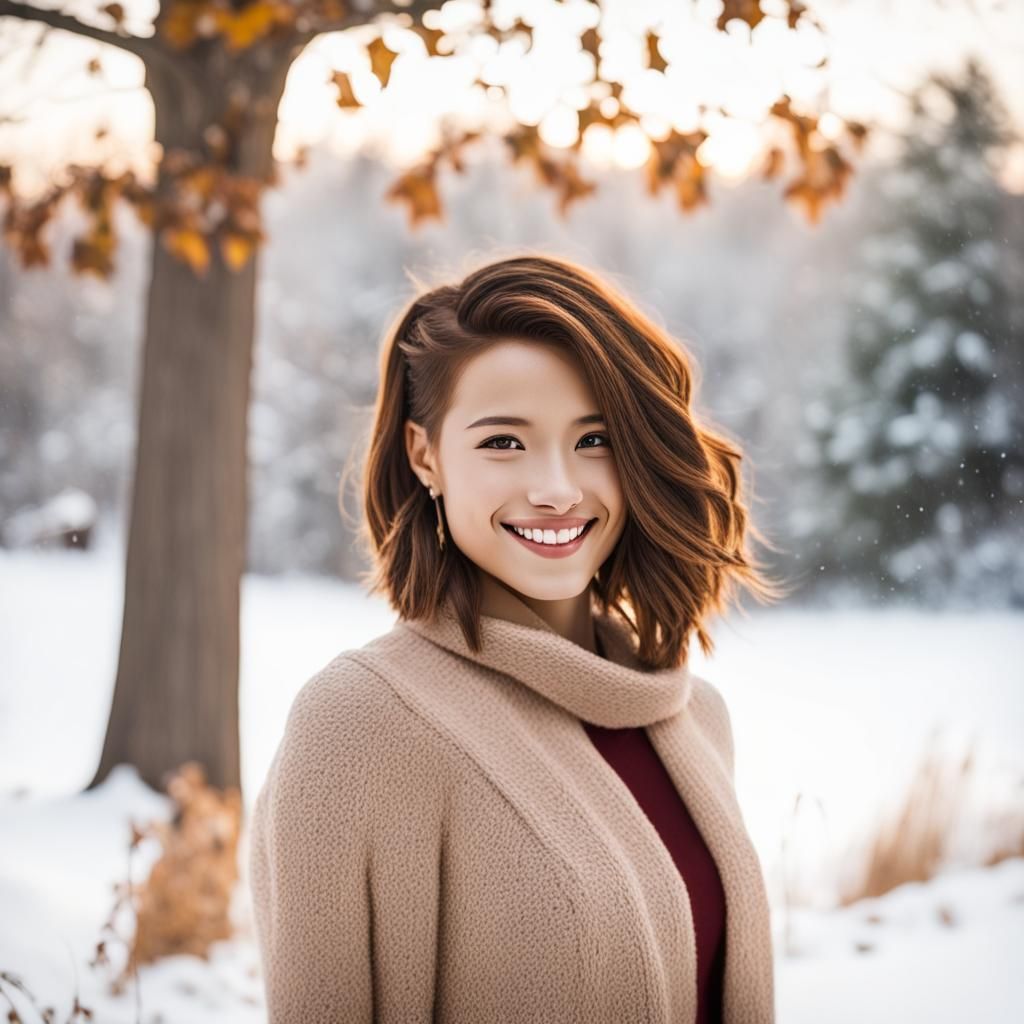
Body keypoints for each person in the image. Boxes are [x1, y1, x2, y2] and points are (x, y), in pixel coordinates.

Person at [248, 253, 789, 1023]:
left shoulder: (692, 719)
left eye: (595, 440)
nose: (557, 488)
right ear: (424, 454)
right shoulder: (361, 724)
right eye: (505, 442)